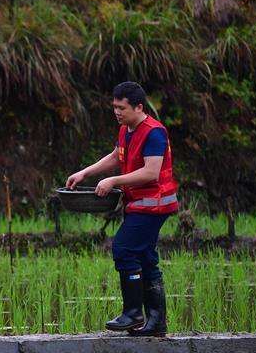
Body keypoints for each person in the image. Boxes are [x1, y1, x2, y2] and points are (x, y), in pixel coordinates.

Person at [66, 82, 178, 336]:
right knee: (145, 258)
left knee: (124, 248)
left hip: (154, 203)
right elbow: (117, 156)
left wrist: (114, 181)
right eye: (114, 107)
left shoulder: (154, 132)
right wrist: (85, 173)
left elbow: (151, 172)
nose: (117, 112)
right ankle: (156, 323)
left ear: (139, 107)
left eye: (122, 108)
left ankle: (133, 314)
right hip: (138, 203)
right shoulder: (126, 129)